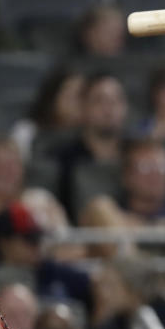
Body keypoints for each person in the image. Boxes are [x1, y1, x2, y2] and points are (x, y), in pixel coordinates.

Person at [48, 72, 129, 221]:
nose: (109, 108)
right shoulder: (62, 159)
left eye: (116, 100)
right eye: (99, 100)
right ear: (83, 107)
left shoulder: (134, 154)